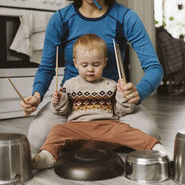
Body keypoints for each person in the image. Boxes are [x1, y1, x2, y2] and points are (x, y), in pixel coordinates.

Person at [20, 0, 164, 152]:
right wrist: (37, 95)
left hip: (114, 105)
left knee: (150, 134)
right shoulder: (60, 19)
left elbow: (155, 69)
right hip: (71, 104)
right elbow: (47, 68)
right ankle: (104, 137)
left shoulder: (125, 17)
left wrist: (138, 92)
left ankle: (80, 138)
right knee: (36, 137)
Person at [32, 34, 166, 169]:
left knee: (128, 130)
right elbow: (63, 111)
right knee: (58, 130)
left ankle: (158, 149)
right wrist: (59, 101)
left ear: (104, 63)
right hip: (78, 128)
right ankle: (47, 157)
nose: (90, 69)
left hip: (108, 127)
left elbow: (121, 111)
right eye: (84, 65)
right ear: (76, 64)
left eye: (96, 64)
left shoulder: (111, 85)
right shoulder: (69, 84)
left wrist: (121, 95)